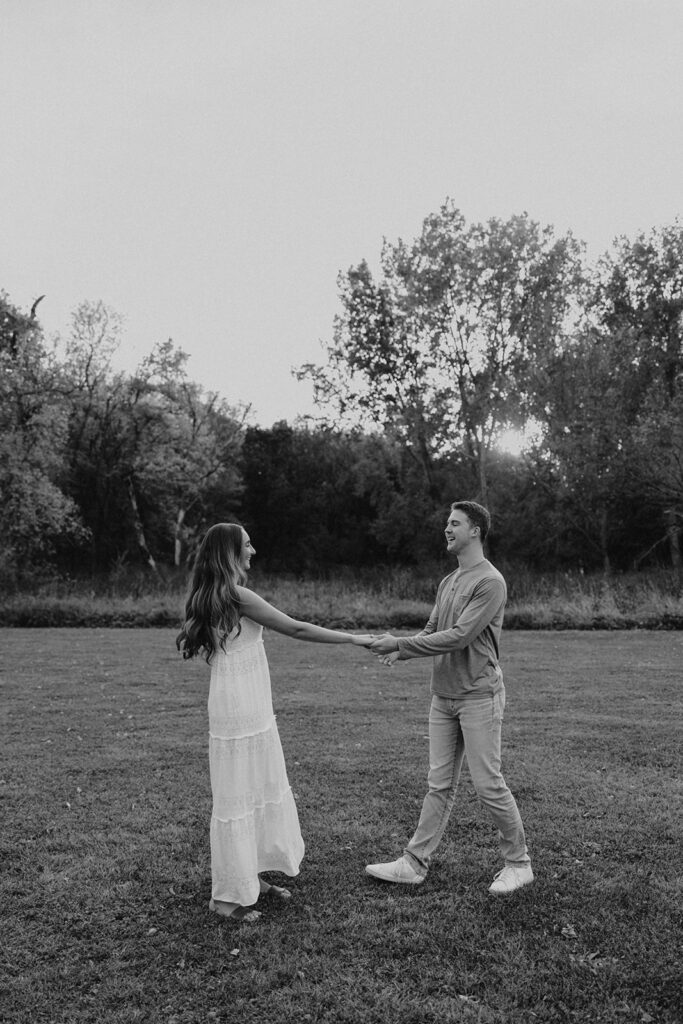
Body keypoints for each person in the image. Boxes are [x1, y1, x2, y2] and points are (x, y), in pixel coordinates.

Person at [176, 522, 375, 922]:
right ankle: (227, 900)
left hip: (241, 701)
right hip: (241, 707)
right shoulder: (237, 595)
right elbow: (295, 627)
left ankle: (248, 877)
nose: (253, 551)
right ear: (229, 552)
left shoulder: (209, 595)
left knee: (249, 788)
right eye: (247, 545)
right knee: (238, 793)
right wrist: (354, 639)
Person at [365, 500, 533, 895]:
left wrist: (402, 643)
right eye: (447, 522)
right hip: (443, 697)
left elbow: (460, 635)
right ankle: (414, 863)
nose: (447, 528)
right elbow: (432, 628)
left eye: (455, 523)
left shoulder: (490, 581)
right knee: (438, 784)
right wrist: (400, 648)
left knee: (488, 784)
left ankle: (519, 863)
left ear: (475, 530)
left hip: (478, 695)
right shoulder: (448, 580)